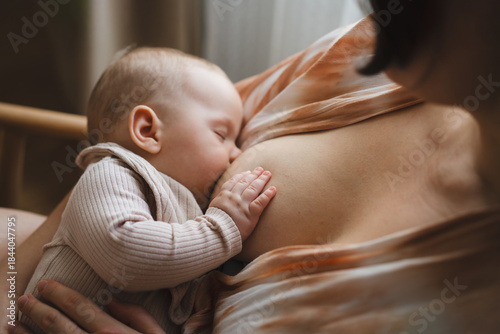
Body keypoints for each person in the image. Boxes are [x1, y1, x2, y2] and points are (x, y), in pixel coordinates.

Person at [7, 0, 500, 331]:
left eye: (230, 137)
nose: (236, 150)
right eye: (225, 137)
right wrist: (8, 306)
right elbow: (141, 167)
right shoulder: (369, 50)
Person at [17, 47, 277, 333]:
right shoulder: (110, 173)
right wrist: (223, 227)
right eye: (221, 134)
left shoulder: (182, 199)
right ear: (148, 131)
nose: (236, 153)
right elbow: (124, 252)